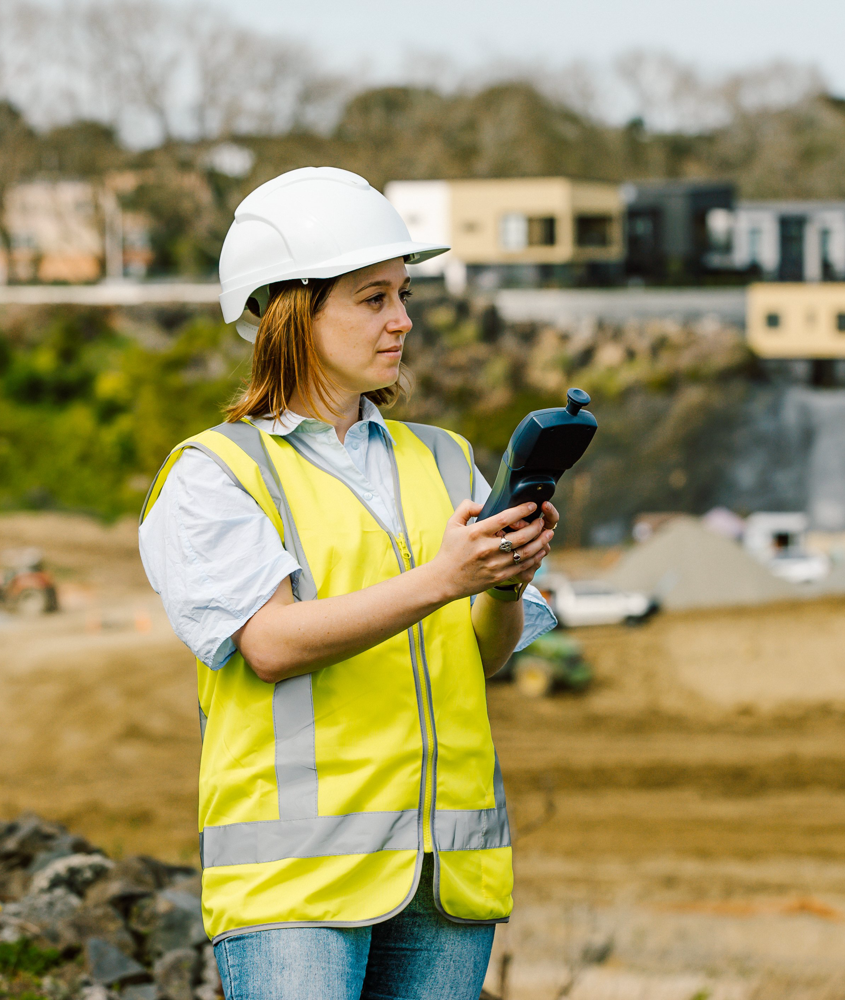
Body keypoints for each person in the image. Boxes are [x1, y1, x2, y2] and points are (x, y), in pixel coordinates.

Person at [138, 167, 559, 1000]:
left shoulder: (440, 455)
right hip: (297, 886)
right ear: (293, 313)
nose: (402, 320)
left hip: (444, 874)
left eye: (403, 295)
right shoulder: (215, 474)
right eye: (373, 299)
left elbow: (487, 657)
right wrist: (445, 578)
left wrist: (502, 586)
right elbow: (270, 644)